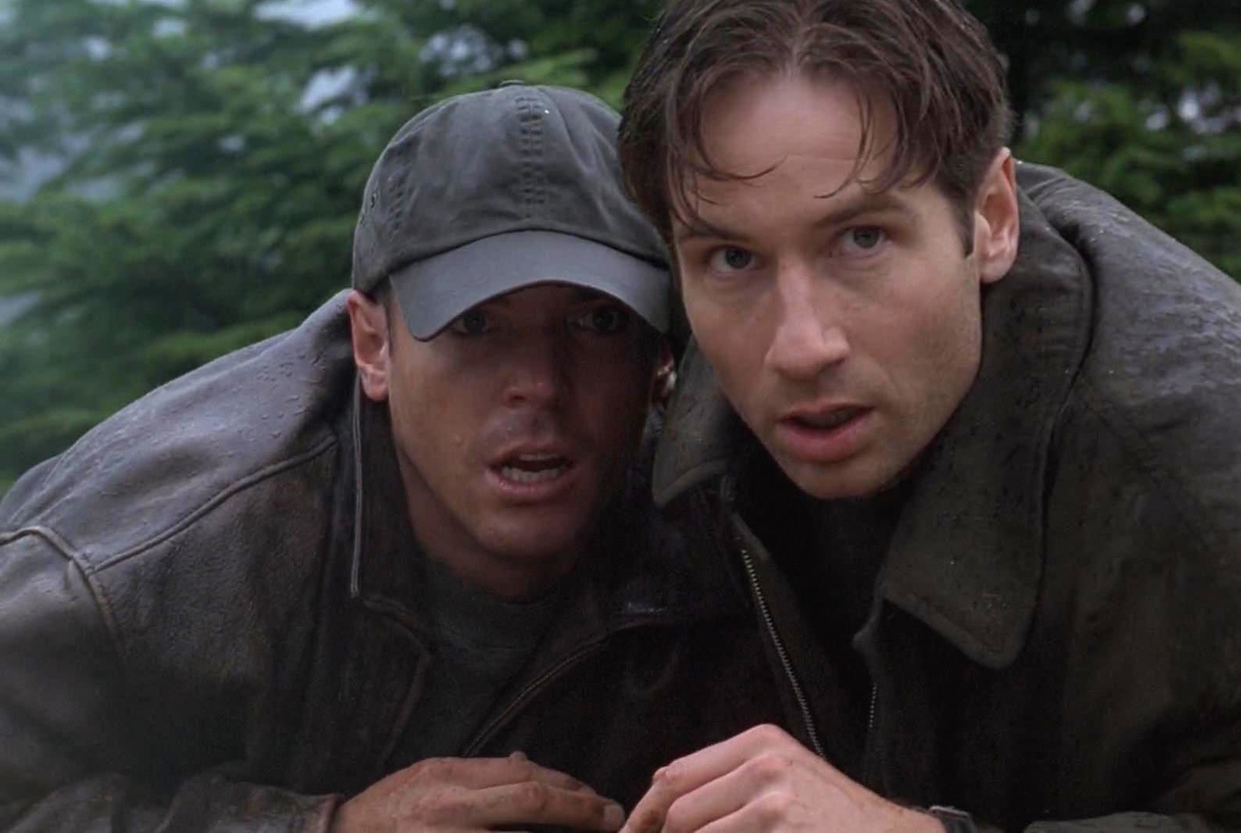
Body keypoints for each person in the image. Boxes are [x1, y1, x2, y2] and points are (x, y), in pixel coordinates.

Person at [613, 0, 1241, 830]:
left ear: (993, 218)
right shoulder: (696, 400)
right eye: (733, 259)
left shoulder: (1233, 517)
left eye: (862, 240)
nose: (801, 345)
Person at [0, 83, 782, 832]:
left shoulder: (742, 514)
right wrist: (325, 828)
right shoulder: (161, 557)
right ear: (373, 344)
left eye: (598, 322)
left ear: (660, 355)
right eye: (476, 325)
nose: (541, 385)